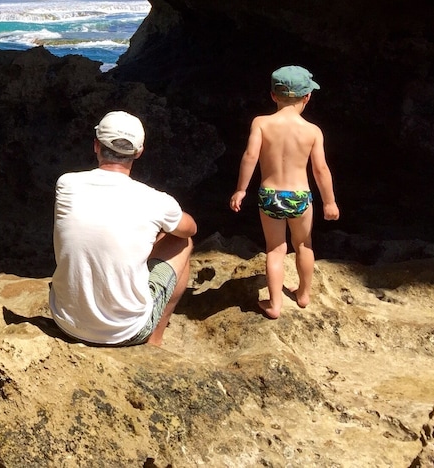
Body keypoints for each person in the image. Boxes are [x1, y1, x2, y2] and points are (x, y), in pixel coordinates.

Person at [49, 111, 198, 347]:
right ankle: (155, 338)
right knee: (181, 242)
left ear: (96, 145)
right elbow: (189, 229)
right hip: (128, 331)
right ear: (139, 152)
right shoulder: (156, 201)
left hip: (66, 322)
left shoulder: (66, 183)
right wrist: (167, 220)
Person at [230, 65, 340, 319]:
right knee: (303, 245)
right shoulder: (312, 131)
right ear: (307, 96)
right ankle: (303, 294)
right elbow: (321, 169)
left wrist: (240, 190)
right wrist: (329, 202)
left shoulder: (261, 123)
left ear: (273, 95)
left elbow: (250, 157)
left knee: (275, 249)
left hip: (270, 195)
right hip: (300, 197)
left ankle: (275, 304)